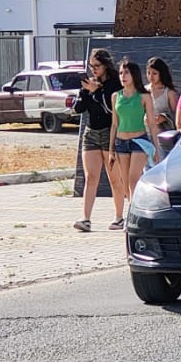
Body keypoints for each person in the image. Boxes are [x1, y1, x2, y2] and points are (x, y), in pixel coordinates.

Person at [72, 48, 121, 232]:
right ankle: (86, 218)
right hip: (91, 132)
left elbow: (110, 109)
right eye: (91, 66)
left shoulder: (114, 84)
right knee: (91, 177)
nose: (94, 70)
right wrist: (85, 92)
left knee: (114, 178)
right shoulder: (90, 83)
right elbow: (79, 108)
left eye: (97, 66)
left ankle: (118, 217)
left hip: (109, 132)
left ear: (106, 65)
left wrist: (97, 92)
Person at [109, 59, 153, 220]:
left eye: (126, 72)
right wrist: (111, 149)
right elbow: (114, 124)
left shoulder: (144, 96)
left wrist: (154, 146)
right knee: (125, 181)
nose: (123, 76)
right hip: (121, 142)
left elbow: (152, 124)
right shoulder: (116, 96)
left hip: (139, 141)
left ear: (134, 75)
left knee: (134, 178)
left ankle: (135, 216)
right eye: (121, 73)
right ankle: (129, 212)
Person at [145, 57, 178, 150]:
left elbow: (176, 117)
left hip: (164, 137)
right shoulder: (144, 91)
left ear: (161, 74)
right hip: (146, 136)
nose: (151, 76)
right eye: (148, 73)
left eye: (154, 73)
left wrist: (164, 118)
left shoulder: (169, 92)